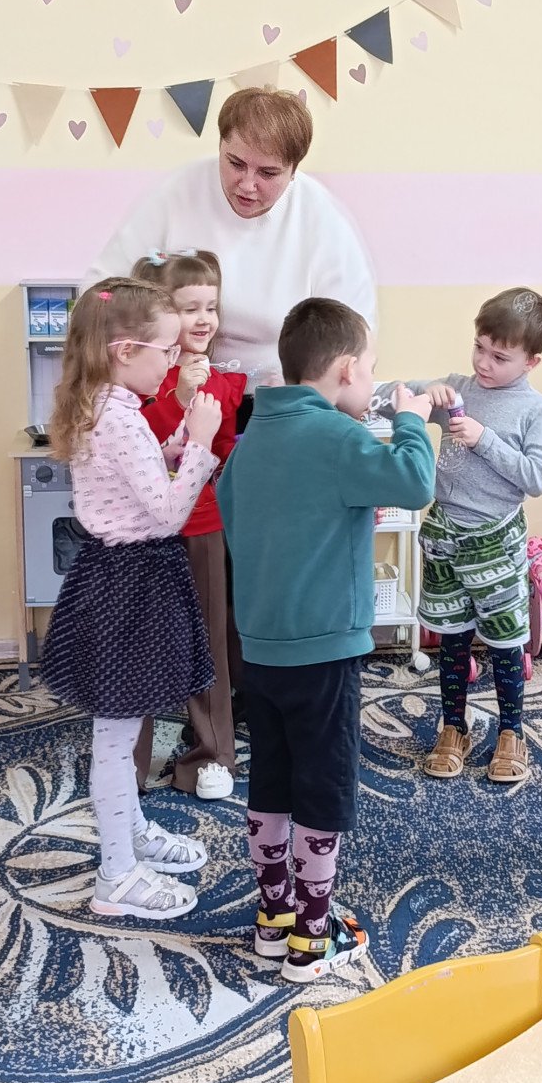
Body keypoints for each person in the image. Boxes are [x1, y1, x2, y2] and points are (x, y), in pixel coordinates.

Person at [217, 298, 435, 981]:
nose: (368, 381)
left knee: (271, 779)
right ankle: (313, 937)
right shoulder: (339, 437)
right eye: (368, 370)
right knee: (323, 785)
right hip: (325, 650)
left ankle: (273, 918)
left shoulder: (251, 441)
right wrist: (410, 419)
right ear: (344, 370)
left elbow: (237, 517)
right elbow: (414, 481)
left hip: (261, 646)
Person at [39, 277, 224, 921]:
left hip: (126, 575)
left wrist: (175, 443)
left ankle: (132, 831)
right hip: (130, 581)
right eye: (165, 350)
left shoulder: (108, 405)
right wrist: (200, 442)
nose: (173, 362)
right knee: (117, 737)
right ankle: (116, 875)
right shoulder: (116, 416)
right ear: (124, 350)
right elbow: (169, 512)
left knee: (126, 722)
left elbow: (138, 480)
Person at [87, 87, 377, 385]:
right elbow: (100, 293)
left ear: (293, 172)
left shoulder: (322, 217)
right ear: (220, 147)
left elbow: (352, 339)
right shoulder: (177, 194)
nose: (247, 185)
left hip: (280, 393)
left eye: (267, 173)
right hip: (169, 389)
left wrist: (303, 398)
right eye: (236, 164)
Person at [396, 288, 542, 788]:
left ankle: (512, 732)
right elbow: (391, 398)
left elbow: (536, 479)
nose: (484, 363)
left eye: (500, 357)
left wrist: (484, 439)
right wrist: (425, 394)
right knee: (452, 637)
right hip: (445, 534)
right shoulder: (457, 388)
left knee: (506, 642)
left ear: (531, 362)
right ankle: (454, 727)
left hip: (496, 542)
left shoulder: (536, 410)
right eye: (479, 348)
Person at [131, 247, 244, 800]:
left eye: (211, 308)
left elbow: (220, 453)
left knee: (208, 640)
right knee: (140, 642)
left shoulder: (224, 382)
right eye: (190, 308)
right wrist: (176, 397)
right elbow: (137, 444)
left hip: (202, 525)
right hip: (145, 529)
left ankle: (213, 754)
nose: (203, 320)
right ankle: (128, 761)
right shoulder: (142, 378)